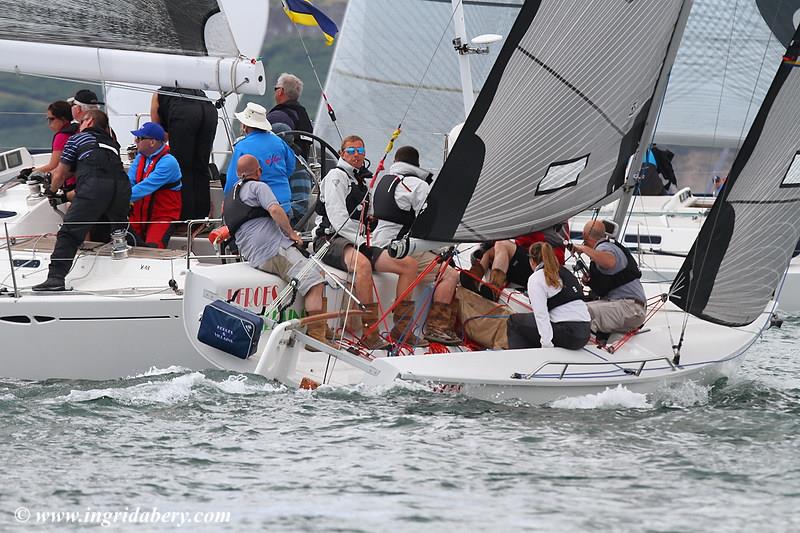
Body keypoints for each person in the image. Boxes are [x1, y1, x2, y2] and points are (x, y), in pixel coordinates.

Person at [313, 135, 421, 348]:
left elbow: (370, 217)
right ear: (342, 153)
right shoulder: (337, 176)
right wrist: (362, 240)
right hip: (331, 239)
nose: (356, 155)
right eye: (351, 151)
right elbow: (337, 218)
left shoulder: (361, 182)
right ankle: (370, 333)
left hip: (358, 241)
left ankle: (402, 329)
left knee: (409, 265)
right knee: (362, 266)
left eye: (360, 151)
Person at [223, 155, 328, 347]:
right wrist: (292, 234)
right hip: (273, 250)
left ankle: (324, 328)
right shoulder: (259, 187)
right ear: (259, 171)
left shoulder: (231, 195)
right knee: (315, 283)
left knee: (318, 271)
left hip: (254, 255)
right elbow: (275, 210)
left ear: (238, 174)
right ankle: (316, 338)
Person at [32, 110, 131, 292]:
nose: (79, 126)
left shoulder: (77, 140)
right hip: (122, 187)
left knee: (69, 233)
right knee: (119, 231)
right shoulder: (112, 144)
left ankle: (55, 278)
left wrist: (51, 191)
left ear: (90, 121)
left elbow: (61, 173)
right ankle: (133, 266)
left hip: (95, 186)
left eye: (81, 122)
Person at [371, 145, 461, 345]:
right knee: (450, 275)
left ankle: (403, 327)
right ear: (416, 164)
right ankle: (435, 328)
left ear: (396, 162)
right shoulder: (417, 185)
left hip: (379, 244)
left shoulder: (384, 181)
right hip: (401, 250)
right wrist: (442, 250)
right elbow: (429, 224)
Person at [571, 220, 647, 342]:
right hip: (628, 307)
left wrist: (584, 248)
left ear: (585, 235)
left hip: (630, 309)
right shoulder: (609, 246)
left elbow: (609, 262)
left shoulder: (604, 247)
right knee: (579, 308)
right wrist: (591, 281)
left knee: (584, 313)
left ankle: (587, 353)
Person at [506, 242, 591, 349]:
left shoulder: (536, 278)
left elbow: (541, 315)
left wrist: (547, 346)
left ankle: (524, 361)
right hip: (585, 333)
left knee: (514, 322)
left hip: (569, 334)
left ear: (532, 261)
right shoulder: (565, 271)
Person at [150, 86, 217, 220]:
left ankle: (183, 219)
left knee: (181, 168)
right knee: (201, 166)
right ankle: (201, 218)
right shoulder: (196, 89)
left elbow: (157, 132)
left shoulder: (158, 94)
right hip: (209, 110)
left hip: (184, 113)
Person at [461, 223, 568, 302]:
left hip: (543, 266)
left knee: (501, 244)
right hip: (530, 259)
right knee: (489, 253)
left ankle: (494, 289)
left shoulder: (550, 221)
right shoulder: (541, 216)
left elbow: (542, 241)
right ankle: (474, 278)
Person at [224, 103, 295, 217]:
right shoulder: (279, 141)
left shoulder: (242, 146)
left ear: (245, 126)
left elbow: (233, 179)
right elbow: (291, 167)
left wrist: (227, 201)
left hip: (259, 207)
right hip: (284, 205)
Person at [127, 122, 182, 248]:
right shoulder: (140, 158)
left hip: (161, 216)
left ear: (152, 142)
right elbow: (129, 181)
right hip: (138, 215)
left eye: (139, 138)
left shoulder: (169, 162)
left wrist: (118, 198)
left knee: (153, 247)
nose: (136, 141)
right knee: (121, 239)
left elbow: (146, 187)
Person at [17, 101, 77, 185]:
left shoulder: (62, 137)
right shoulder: (77, 130)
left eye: (52, 119)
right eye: (48, 119)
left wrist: (31, 172)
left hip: (70, 182)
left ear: (63, 119)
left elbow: (53, 166)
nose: (49, 123)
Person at [272, 122, 312, 228]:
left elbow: (300, 205)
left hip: (290, 227)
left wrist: (274, 217)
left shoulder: (298, 168)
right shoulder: (276, 163)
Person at [267, 73, 313, 158]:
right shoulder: (303, 115)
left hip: (281, 165)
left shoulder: (276, 116)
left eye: (276, 89)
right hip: (301, 163)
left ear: (280, 91)